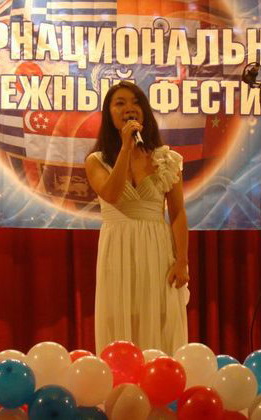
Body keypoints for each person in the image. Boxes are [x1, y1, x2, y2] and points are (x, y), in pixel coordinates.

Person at [84, 81, 190, 356]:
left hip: (157, 248)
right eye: (120, 103)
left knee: (159, 317)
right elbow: (111, 194)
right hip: (117, 247)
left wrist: (181, 261)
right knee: (119, 316)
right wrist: (125, 149)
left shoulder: (167, 159)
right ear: (109, 113)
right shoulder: (96, 160)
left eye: (135, 102)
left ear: (144, 111)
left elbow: (177, 213)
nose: (129, 108)